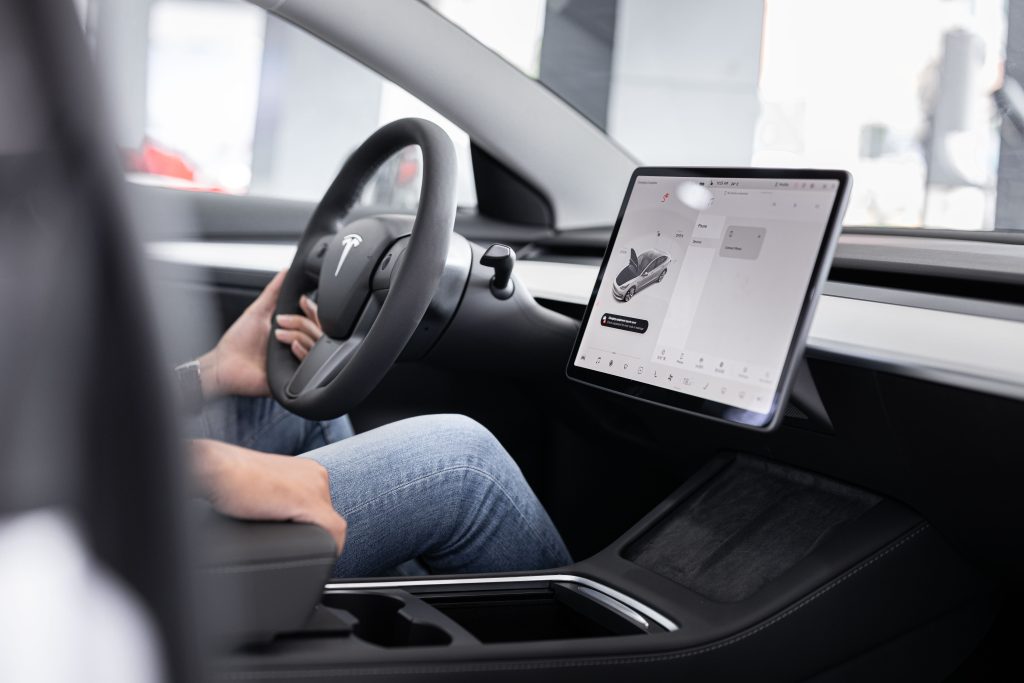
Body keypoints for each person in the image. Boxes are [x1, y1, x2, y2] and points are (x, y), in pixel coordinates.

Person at [183, 271, 570, 577]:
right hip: (138, 540)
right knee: (465, 467)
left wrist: (210, 372)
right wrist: (211, 467)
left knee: (289, 399)